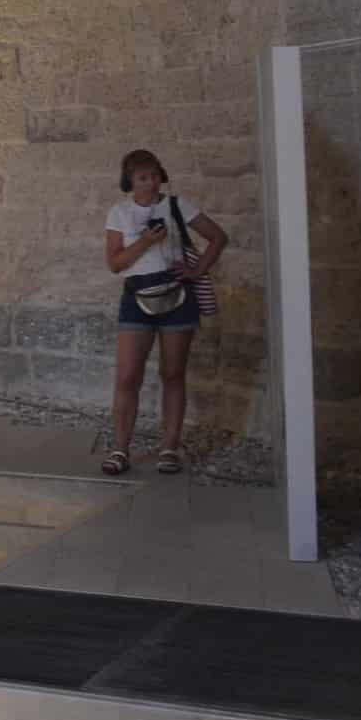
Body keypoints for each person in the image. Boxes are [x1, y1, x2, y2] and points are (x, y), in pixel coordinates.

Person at [100, 148, 227, 475]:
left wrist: (197, 270)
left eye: (155, 175)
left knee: (173, 374)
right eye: (143, 177)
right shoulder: (119, 213)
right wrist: (144, 242)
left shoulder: (177, 205)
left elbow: (217, 237)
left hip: (177, 296)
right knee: (128, 377)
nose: (151, 183)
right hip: (137, 295)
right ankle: (120, 449)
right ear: (130, 181)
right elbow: (115, 264)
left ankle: (169, 448)